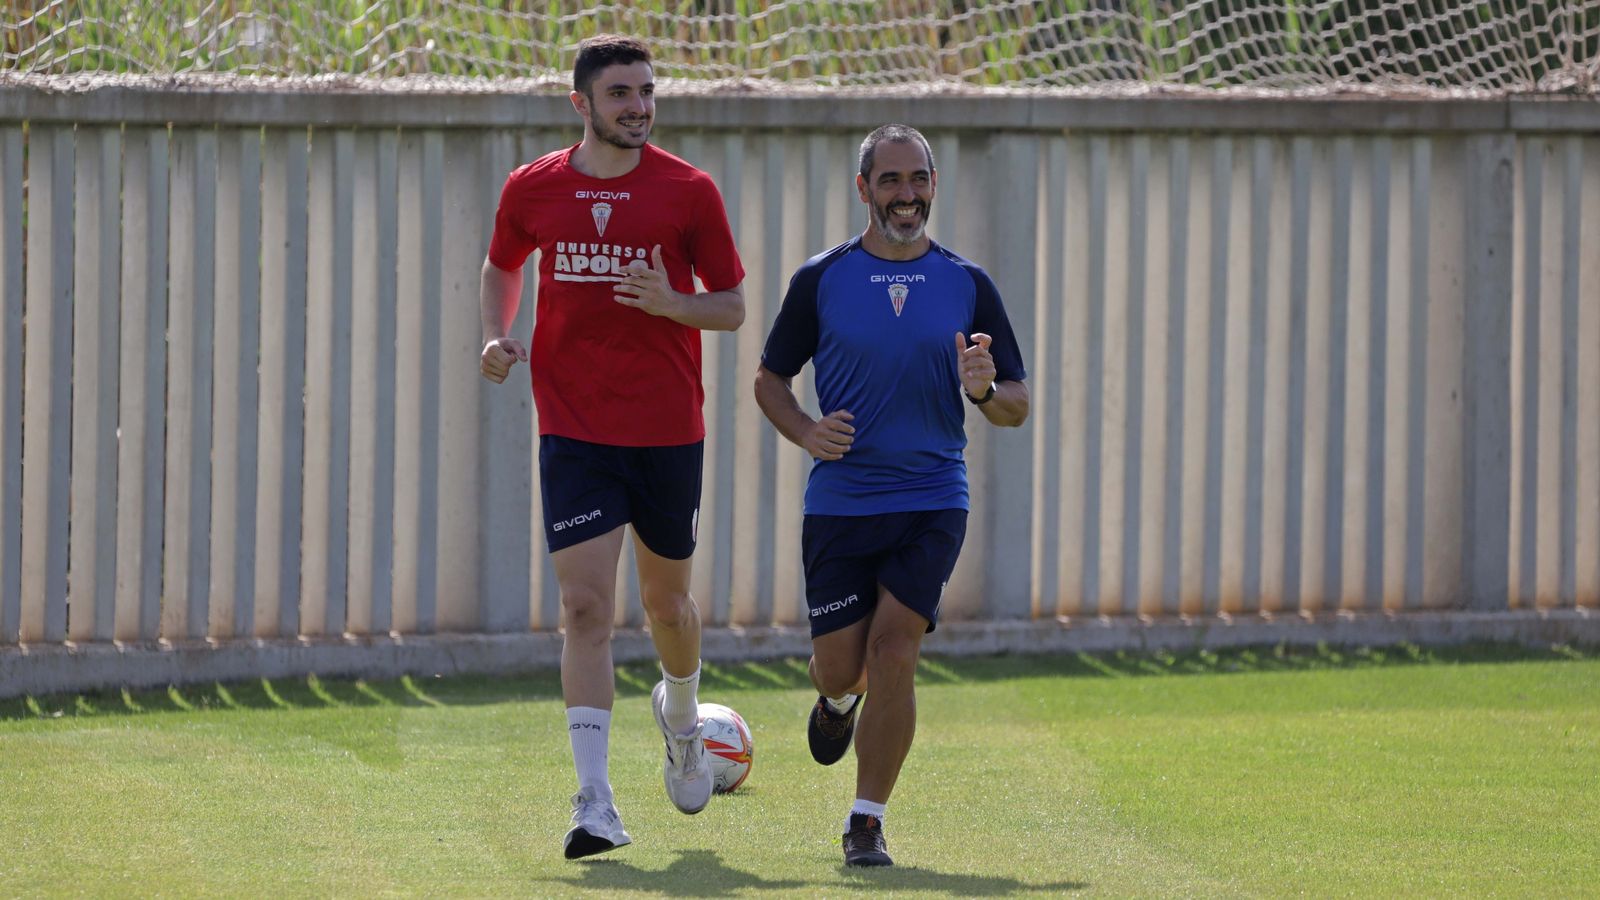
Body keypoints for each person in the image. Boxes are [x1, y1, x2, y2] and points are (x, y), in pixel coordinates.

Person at [479, 34, 746, 860]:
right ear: (582, 104)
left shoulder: (688, 191)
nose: (638, 106)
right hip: (573, 427)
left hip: (668, 430)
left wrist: (673, 302)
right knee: (585, 608)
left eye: (646, 92)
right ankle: (594, 801)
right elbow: (502, 265)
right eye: (621, 93)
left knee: (667, 608)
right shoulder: (534, 186)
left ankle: (682, 717)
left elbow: (732, 306)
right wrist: (495, 335)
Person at [753, 124, 1029, 867]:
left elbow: (1016, 403)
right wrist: (807, 432)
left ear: (934, 185)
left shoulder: (968, 284)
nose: (906, 195)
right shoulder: (822, 279)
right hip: (841, 503)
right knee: (844, 666)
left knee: (895, 647)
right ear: (864, 189)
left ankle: (865, 820)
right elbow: (768, 381)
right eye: (891, 181)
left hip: (933, 498)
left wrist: (984, 391)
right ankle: (837, 700)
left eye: (918, 180)